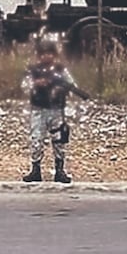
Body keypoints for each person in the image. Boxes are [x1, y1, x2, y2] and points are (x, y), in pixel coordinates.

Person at [20, 39, 82, 184]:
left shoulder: (61, 70)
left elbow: (72, 85)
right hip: (38, 110)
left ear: (54, 55)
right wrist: (36, 84)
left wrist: (60, 89)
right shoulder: (33, 70)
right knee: (36, 140)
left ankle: (60, 171)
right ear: (39, 55)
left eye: (49, 53)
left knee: (59, 141)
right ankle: (35, 170)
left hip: (56, 109)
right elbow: (25, 86)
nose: (46, 57)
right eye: (43, 54)